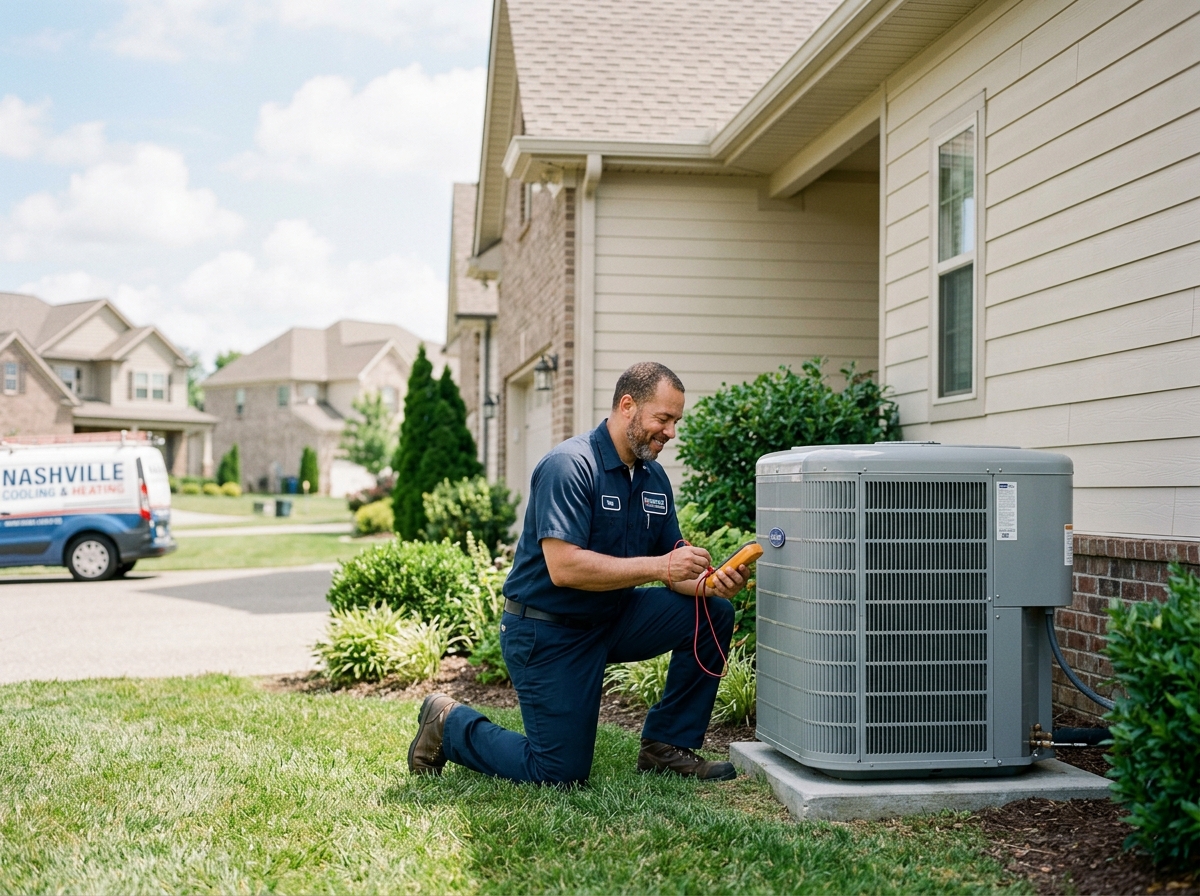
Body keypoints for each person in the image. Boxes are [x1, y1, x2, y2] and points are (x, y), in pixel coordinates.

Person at [407, 361, 748, 786]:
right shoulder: (569, 465)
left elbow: (673, 567)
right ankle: (448, 723)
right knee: (558, 771)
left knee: (710, 612)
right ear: (628, 406)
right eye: (663, 418)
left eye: (676, 421)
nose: (671, 432)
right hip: (548, 631)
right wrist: (662, 567)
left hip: (611, 617)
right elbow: (564, 567)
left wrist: (709, 584)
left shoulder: (654, 479)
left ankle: (666, 746)